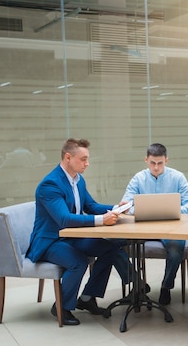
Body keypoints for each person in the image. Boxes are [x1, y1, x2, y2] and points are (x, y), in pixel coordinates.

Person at [27, 138, 125, 326]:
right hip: (51, 241)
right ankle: (61, 307)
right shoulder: (50, 185)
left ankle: (87, 298)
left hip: (70, 237)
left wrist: (116, 208)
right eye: (83, 159)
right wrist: (101, 220)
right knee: (78, 262)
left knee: (109, 248)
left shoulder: (78, 180)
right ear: (68, 157)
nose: (87, 164)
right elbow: (64, 219)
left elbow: (90, 205)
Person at [121, 143, 188, 305]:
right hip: (142, 228)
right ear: (146, 160)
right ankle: (137, 282)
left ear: (166, 160)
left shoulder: (177, 177)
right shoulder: (138, 179)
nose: (156, 167)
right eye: (152, 163)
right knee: (112, 243)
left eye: (160, 163)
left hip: (170, 228)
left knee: (176, 247)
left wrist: (172, 210)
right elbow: (125, 205)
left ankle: (166, 287)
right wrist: (134, 209)